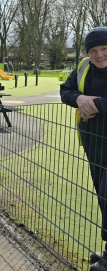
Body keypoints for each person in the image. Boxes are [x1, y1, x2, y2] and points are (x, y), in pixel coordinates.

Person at [60, 27, 107, 271]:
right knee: (103, 197)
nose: (100, 54)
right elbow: (65, 91)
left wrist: (96, 103)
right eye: (94, 50)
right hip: (94, 144)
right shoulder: (83, 68)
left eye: (105, 48)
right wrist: (79, 99)